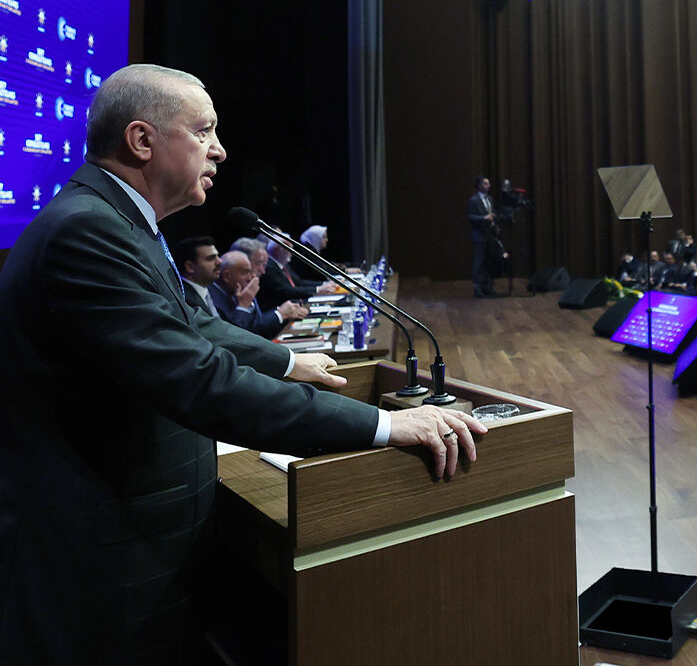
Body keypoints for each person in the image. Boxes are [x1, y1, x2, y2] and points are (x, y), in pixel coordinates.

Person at [0, 64, 488, 663]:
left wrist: (286, 363)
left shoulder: (118, 222)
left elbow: (191, 323)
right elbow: (199, 381)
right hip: (101, 563)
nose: (221, 151)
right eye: (204, 131)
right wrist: (383, 426)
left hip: (139, 543)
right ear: (142, 140)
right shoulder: (87, 234)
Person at [211, 250, 308, 338]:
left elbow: (256, 323)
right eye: (245, 272)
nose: (250, 277)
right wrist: (244, 306)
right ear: (226, 276)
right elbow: (239, 337)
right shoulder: (213, 300)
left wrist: (283, 312)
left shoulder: (238, 289)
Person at [467, 175, 499, 297]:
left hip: (489, 234)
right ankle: (478, 288)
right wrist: (483, 218)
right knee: (479, 262)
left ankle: (487, 287)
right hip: (479, 235)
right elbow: (470, 216)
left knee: (488, 261)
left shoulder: (490, 199)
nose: (489, 186)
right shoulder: (473, 200)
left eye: (488, 183)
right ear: (479, 186)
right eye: (486, 184)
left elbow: (492, 213)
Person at [174, 235, 222, 315]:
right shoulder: (183, 299)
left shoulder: (213, 291)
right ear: (190, 267)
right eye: (211, 258)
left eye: (217, 256)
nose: (219, 262)